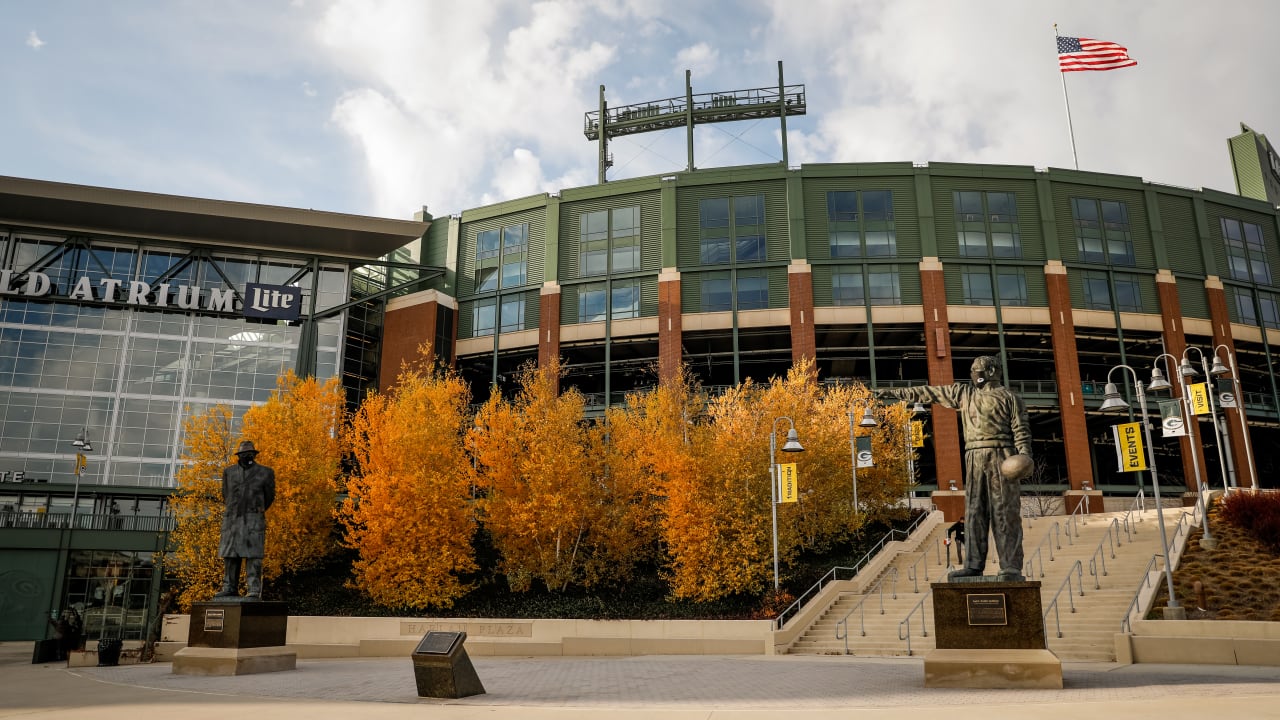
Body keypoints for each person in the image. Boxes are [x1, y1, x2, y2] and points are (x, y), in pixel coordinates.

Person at [879, 356, 1032, 582]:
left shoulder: (1010, 398)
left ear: (990, 370)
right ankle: (972, 565)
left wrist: (1024, 455)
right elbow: (929, 392)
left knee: (1004, 512)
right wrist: (896, 393)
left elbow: (1021, 429)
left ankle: (1010, 567)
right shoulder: (964, 394)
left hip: (1003, 455)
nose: (972, 374)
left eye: (976, 370)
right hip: (973, 456)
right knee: (974, 512)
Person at [215, 440, 275, 600]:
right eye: (243, 454)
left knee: (254, 555)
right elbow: (225, 494)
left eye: (250, 454)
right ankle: (229, 587)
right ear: (238, 456)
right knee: (230, 555)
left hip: (253, 519)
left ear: (255, 455)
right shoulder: (229, 472)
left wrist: (255, 510)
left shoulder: (265, 472)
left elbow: (269, 497)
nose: (247, 456)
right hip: (232, 519)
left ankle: (254, 589)